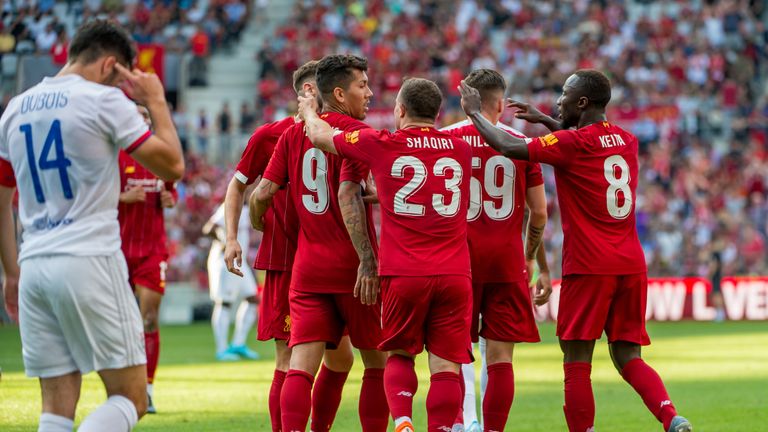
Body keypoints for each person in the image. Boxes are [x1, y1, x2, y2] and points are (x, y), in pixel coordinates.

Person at [458, 70, 692, 432]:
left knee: (577, 361)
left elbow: (509, 147)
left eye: (564, 96)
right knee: (628, 356)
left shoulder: (572, 145)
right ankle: (671, 416)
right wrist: (549, 121)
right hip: (631, 264)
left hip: (589, 266)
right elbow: (582, 143)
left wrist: (473, 113)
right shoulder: (626, 140)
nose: (558, 101)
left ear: (581, 103)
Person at [0, 20, 183, 432]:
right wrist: (156, 102)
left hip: (33, 267)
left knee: (55, 407)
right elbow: (173, 164)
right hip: (89, 258)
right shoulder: (103, 100)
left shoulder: (15, 108)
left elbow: (2, 200)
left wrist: (11, 272)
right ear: (110, 66)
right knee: (131, 398)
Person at [300, 77, 473, 432]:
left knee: (398, 354)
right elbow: (430, 187)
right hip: (455, 273)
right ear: (437, 113)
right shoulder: (461, 148)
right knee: (445, 367)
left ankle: (405, 422)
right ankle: (440, 427)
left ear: (400, 110)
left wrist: (307, 109)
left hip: (404, 273)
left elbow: (318, 136)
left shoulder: (382, 144)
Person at [252, 54, 389, 432]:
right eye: (363, 85)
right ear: (340, 93)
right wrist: (367, 259)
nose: (370, 92)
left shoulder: (293, 134)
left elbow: (262, 193)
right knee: (377, 364)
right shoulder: (355, 134)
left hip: (308, 268)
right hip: (354, 269)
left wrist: (256, 221)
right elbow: (348, 197)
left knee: (300, 367)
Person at [224, 60, 359, 432]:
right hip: (289, 259)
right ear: (306, 93)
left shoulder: (338, 132)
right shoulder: (272, 135)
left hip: (327, 260)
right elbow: (240, 186)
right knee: (288, 359)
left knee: (341, 360)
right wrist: (234, 236)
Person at [441, 69, 552, 432]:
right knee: (501, 357)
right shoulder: (521, 144)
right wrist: (532, 257)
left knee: (454, 352)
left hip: (457, 262)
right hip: (506, 262)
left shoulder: (446, 141)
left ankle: (463, 423)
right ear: (501, 103)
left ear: (466, 100)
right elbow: (539, 212)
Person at [117, 105, 178, 415]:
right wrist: (121, 197)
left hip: (152, 251)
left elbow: (171, 191)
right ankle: (124, 390)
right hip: (116, 251)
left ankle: (149, 389)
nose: (142, 120)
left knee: (149, 317)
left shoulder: (159, 158)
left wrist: (170, 198)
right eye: (136, 116)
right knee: (121, 325)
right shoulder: (113, 156)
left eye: (146, 116)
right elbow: (91, 196)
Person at [203, 202, 259, 361]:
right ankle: (222, 349)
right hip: (224, 260)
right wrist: (226, 243)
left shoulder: (247, 208)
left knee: (253, 299)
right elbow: (209, 227)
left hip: (239, 262)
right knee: (224, 303)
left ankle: (238, 344)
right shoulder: (232, 204)